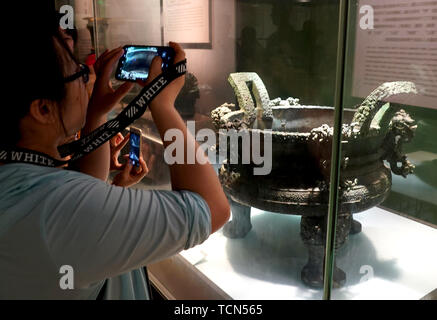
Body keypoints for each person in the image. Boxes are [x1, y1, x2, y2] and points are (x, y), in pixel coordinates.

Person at [0, 6, 230, 299]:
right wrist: (162, 105)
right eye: (79, 72)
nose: (89, 78)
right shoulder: (55, 211)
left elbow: (81, 195)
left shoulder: (19, 181)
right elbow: (211, 209)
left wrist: (95, 115)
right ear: (43, 109)